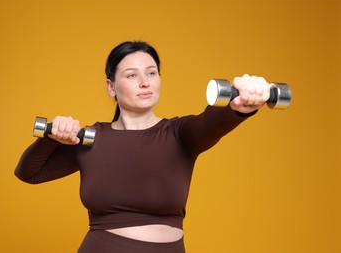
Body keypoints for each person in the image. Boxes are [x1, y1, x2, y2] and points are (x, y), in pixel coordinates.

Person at [15, 41, 270, 253]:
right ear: (111, 87)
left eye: (151, 72)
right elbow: (29, 173)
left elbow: (214, 120)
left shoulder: (179, 134)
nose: (145, 82)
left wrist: (239, 105)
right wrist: (51, 138)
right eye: (132, 75)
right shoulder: (90, 138)